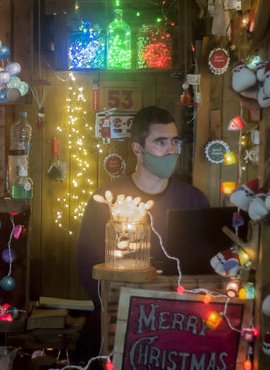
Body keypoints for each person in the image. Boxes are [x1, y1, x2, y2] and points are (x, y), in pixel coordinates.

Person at [74, 106, 209, 360]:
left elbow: (207, 266)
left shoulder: (193, 199)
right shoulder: (106, 201)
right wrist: (121, 304)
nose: (171, 150)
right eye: (160, 142)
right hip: (119, 318)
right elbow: (86, 266)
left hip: (179, 323)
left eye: (174, 141)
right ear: (138, 149)